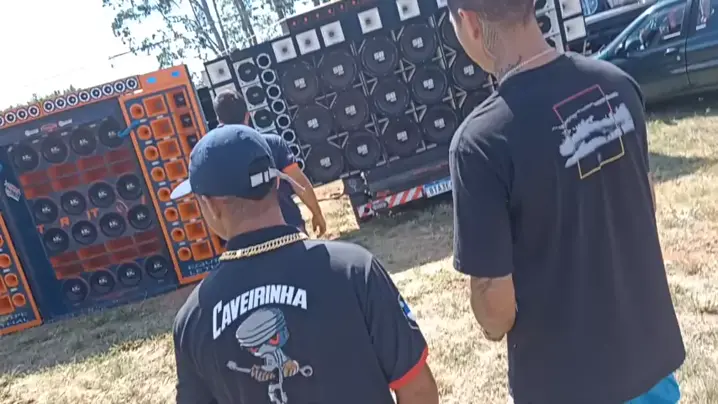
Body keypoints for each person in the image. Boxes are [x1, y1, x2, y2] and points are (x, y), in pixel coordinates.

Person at [446, 0, 685, 403]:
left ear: (469, 22)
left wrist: (488, 325)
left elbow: (496, 308)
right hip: (649, 364)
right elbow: (644, 205)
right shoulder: (618, 85)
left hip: (566, 385)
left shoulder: (480, 144)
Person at [170, 124, 439, 404]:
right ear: (276, 183)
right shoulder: (353, 269)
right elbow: (417, 389)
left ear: (211, 206)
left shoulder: (193, 319)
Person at [213, 89, 326, 236]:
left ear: (220, 121)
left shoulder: (218, 158)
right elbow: (299, 182)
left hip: (251, 237)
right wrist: (317, 213)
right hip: (290, 227)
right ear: (247, 115)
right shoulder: (273, 143)